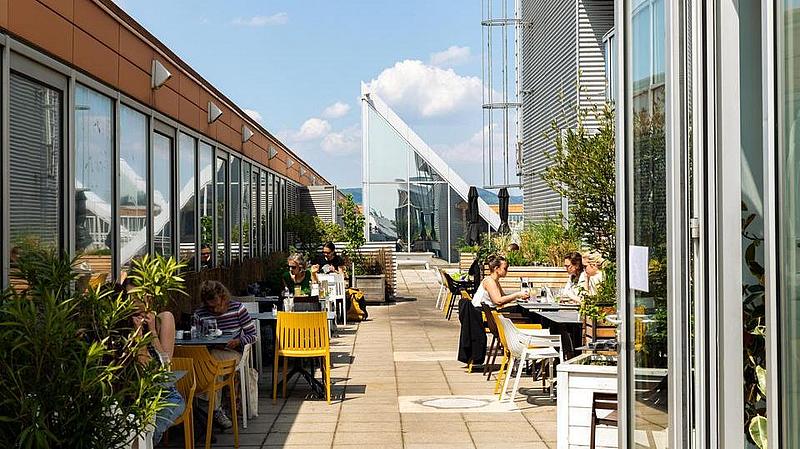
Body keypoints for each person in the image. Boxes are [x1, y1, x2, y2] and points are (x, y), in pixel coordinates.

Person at [120, 273, 184, 445]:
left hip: (165, 395)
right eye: (131, 297)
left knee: (149, 431)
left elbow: (165, 366)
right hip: (134, 395)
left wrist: (151, 331)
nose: (135, 302)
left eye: (140, 296)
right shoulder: (122, 324)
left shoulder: (163, 318)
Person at [194, 280, 257, 429]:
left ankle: (210, 407)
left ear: (224, 297)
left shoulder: (237, 309)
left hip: (233, 352)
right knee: (203, 362)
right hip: (210, 353)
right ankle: (210, 408)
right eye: (211, 307)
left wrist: (238, 341)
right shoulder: (200, 314)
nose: (215, 310)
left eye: (218, 305)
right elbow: (196, 337)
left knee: (210, 363)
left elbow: (253, 335)